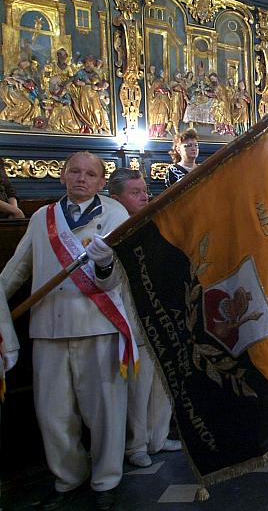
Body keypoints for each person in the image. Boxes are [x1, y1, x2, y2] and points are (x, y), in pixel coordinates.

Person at [0, 151, 134, 511]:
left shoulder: (115, 214)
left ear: (102, 182)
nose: (81, 178)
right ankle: (68, 475)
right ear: (62, 176)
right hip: (49, 327)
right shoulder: (43, 218)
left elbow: (118, 282)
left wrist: (105, 264)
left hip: (98, 325)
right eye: (74, 171)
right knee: (53, 413)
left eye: (90, 174)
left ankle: (107, 477)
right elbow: (14, 272)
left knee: (104, 410)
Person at [107, 169, 181, 468]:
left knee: (162, 379)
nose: (144, 196)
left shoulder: (150, 222)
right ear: (116, 198)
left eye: (144, 190)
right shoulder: (112, 228)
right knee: (138, 384)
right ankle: (136, 444)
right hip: (129, 313)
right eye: (135, 192)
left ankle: (158, 436)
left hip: (157, 309)